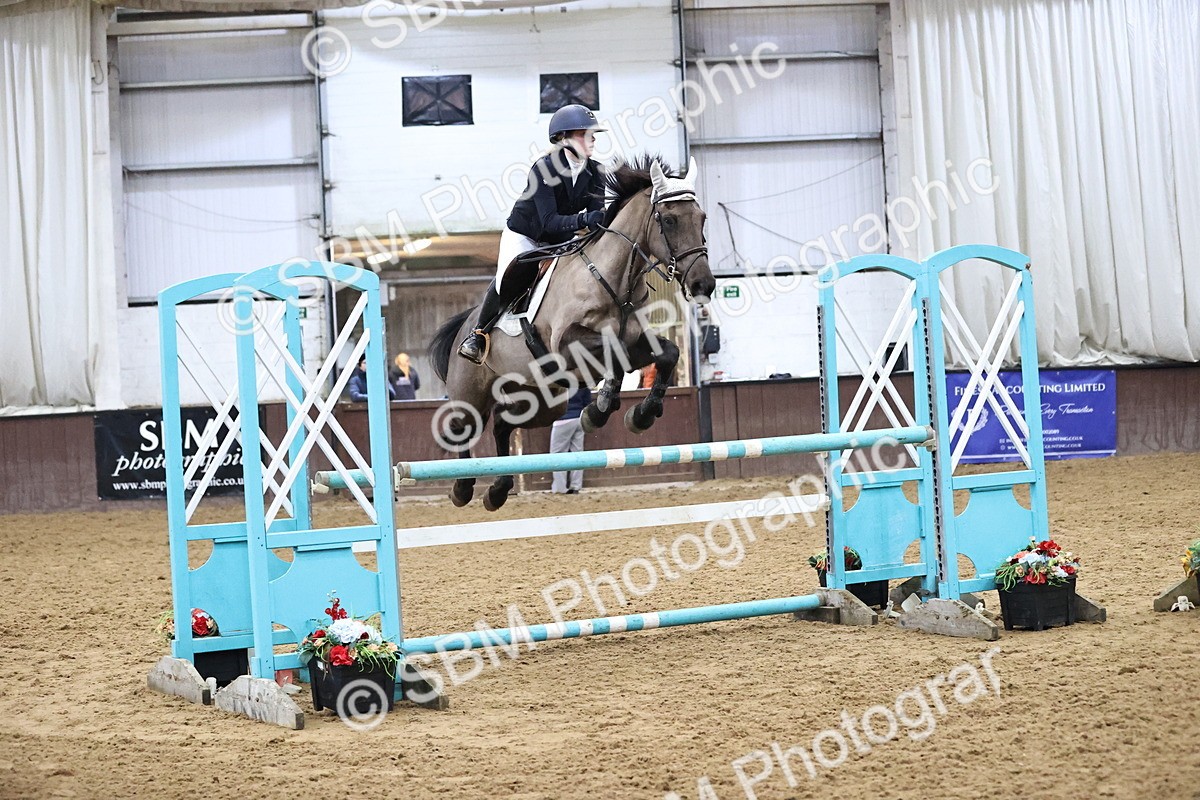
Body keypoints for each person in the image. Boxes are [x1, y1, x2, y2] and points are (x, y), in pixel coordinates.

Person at [458, 104, 608, 364]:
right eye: (586, 134)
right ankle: (478, 333)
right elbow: (549, 222)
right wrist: (585, 218)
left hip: (562, 239)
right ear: (565, 138)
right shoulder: (544, 169)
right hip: (526, 235)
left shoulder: (597, 172)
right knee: (510, 277)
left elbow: (597, 219)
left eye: (593, 134)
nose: (593, 139)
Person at [550, 385, 593, 494]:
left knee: (558, 454)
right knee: (578, 453)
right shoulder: (581, 379)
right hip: (578, 418)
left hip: (562, 420)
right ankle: (576, 486)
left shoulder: (557, 379)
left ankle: (560, 488)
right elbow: (587, 401)